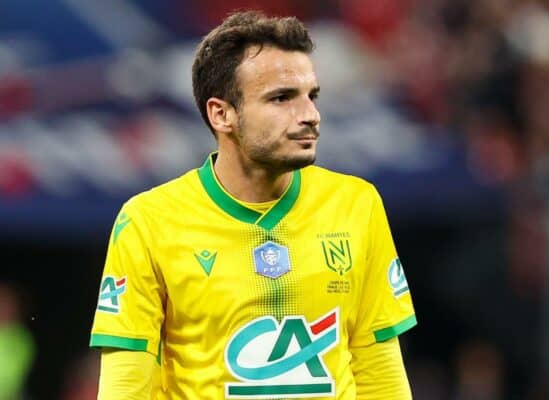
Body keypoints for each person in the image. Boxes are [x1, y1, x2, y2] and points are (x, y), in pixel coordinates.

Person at [90, 10, 417, 399]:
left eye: (311, 96)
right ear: (221, 114)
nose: (310, 116)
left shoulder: (356, 205)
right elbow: (127, 388)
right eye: (281, 98)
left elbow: (378, 369)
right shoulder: (148, 222)